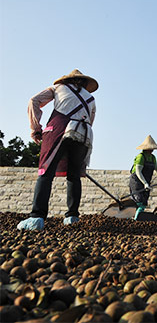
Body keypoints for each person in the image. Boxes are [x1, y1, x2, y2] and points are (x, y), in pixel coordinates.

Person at [17, 69, 97, 231]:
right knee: (74, 176)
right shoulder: (91, 98)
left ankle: (36, 217)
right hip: (84, 134)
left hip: (59, 129)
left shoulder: (58, 88)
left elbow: (34, 101)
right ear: (83, 83)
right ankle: (72, 217)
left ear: (67, 80)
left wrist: (36, 128)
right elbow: (90, 120)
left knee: (45, 173)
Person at [129, 135, 157, 220]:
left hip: (146, 181)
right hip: (137, 181)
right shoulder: (141, 157)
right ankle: (135, 220)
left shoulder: (153, 158)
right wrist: (145, 183)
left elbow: (156, 168)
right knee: (139, 201)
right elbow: (138, 172)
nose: (152, 150)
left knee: (144, 202)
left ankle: (137, 218)